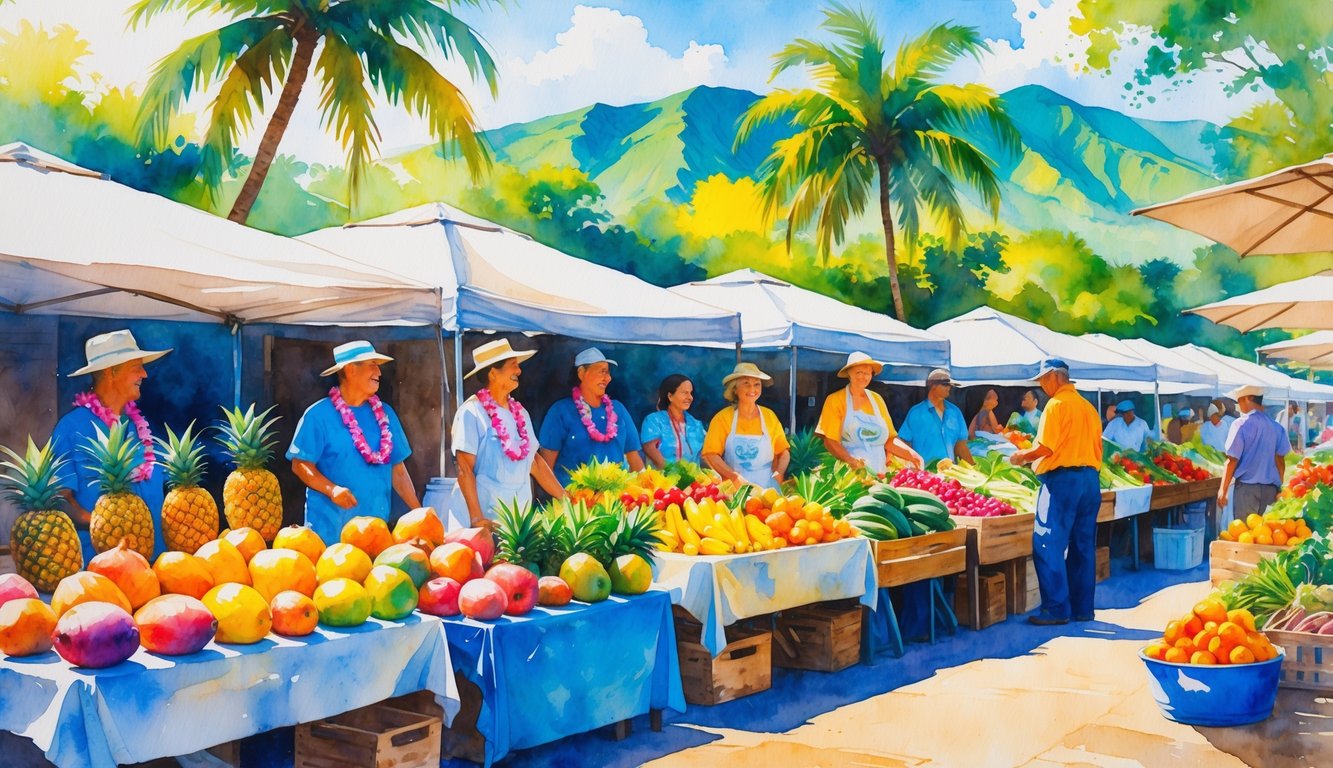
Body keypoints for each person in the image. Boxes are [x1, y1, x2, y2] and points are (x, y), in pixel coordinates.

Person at [52, 329, 171, 562]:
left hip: (154, 564)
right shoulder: (71, 428)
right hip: (102, 565)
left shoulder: (139, 427)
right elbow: (61, 499)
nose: (144, 374)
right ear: (111, 372)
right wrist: (109, 526)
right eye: (136, 366)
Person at [288, 340, 420, 547]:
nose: (379, 372)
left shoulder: (385, 414)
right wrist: (332, 490)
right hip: (329, 538)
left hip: (375, 535)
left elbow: (399, 471)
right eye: (372, 365)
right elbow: (300, 465)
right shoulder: (317, 415)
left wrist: (418, 514)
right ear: (350, 370)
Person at [1010, 359, 1103, 625]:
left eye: (1042, 380)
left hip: (1063, 481)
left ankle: (1056, 609)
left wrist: (1022, 456)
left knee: (1047, 543)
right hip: (1089, 480)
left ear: (1054, 377)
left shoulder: (1056, 405)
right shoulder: (1087, 407)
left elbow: (1046, 448)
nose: (1041, 386)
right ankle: (1083, 609)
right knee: (1083, 546)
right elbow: (1098, 449)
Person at [451, 339, 565, 529]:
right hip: (483, 523)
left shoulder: (521, 413)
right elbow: (465, 470)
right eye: (513, 366)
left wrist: (565, 497)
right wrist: (477, 519)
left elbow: (535, 463)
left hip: (516, 524)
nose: (519, 372)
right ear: (493, 373)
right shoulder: (471, 412)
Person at [538, 347, 644, 487]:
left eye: (608, 373)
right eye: (602, 372)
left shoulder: (618, 409)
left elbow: (634, 459)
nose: (608, 378)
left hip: (616, 501)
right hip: (574, 503)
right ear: (582, 373)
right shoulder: (560, 411)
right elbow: (545, 468)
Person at [814, 352, 922, 474]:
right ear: (849, 373)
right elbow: (830, 441)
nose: (862, 377)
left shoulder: (877, 400)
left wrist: (912, 456)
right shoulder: (835, 400)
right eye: (858, 372)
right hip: (851, 476)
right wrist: (851, 461)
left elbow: (889, 440)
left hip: (880, 473)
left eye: (867, 373)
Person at [702, 362, 790, 489]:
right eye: (746, 384)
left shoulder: (769, 416)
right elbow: (710, 454)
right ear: (735, 389)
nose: (752, 389)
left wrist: (779, 472)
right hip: (735, 491)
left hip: (768, 489)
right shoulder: (723, 418)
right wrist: (733, 477)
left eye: (756, 384)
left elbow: (783, 452)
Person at [1217, 385, 1291, 520]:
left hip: (1246, 490)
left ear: (1248, 399)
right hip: (1270, 490)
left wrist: (1223, 490)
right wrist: (1279, 487)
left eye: (1239, 401)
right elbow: (1280, 461)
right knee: (1266, 535)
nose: (1238, 406)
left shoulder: (1240, 424)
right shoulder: (1277, 427)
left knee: (1245, 534)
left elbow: (1232, 460)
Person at [898, 369, 974, 466]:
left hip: (950, 473)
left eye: (950, 385)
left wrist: (973, 469)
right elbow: (904, 442)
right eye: (945, 385)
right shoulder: (916, 413)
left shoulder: (955, 412)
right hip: (924, 474)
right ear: (933, 386)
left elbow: (961, 444)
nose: (949, 388)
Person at [641, 374, 707, 468]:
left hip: (694, 481)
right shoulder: (654, 421)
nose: (690, 397)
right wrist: (673, 474)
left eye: (691, 393)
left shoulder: (696, 425)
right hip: (662, 480)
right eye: (684, 393)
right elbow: (649, 449)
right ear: (670, 396)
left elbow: (706, 455)